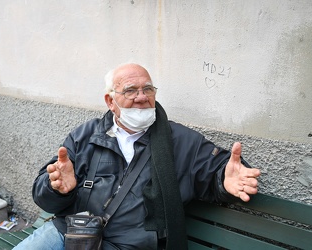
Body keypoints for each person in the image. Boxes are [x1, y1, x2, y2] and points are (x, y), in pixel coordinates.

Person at [14, 63, 260, 250]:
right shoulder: (86, 135)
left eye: (148, 89)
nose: (142, 97)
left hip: (129, 245)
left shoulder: (180, 140)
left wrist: (225, 179)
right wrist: (58, 189)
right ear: (111, 101)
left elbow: (218, 169)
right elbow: (45, 196)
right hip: (70, 234)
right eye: (131, 90)